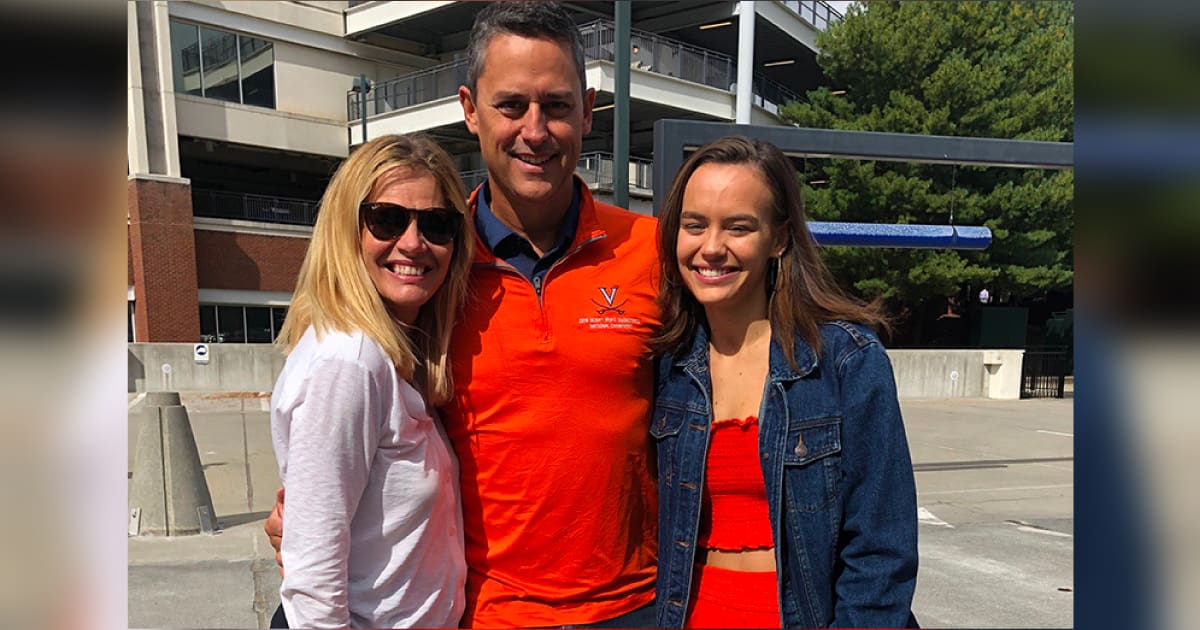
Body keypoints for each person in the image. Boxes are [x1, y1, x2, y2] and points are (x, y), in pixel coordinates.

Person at [267, 3, 662, 627]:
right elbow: (342, 435)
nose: (535, 130)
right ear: (470, 109)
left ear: (588, 110)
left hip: (635, 607)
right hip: (482, 614)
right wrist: (311, 516)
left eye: (556, 105)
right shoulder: (430, 278)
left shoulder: (650, 251)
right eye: (511, 105)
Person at [650, 136, 919, 628]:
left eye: (738, 227)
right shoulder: (666, 366)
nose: (711, 247)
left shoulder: (845, 363)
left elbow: (882, 554)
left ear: (778, 238)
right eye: (694, 226)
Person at [268, 133, 473, 628]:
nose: (413, 242)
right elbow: (312, 577)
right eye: (386, 219)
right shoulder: (351, 360)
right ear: (348, 229)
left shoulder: (394, 354)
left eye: (436, 224)